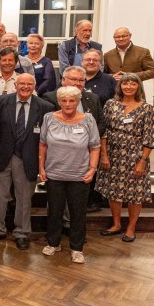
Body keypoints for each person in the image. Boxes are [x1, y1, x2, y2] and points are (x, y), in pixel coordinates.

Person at [0, 74, 54, 250]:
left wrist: (43, 163)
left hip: (28, 158)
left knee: (24, 198)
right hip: (1, 156)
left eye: (29, 84)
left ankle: (22, 233)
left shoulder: (45, 107)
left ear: (35, 86)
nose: (25, 87)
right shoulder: (0, 102)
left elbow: (47, 139)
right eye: (22, 83)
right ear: (15, 85)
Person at [39, 86, 100, 264]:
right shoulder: (49, 118)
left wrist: (92, 169)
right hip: (54, 174)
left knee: (78, 213)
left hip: (80, 175)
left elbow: (95, 147)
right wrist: (41, 168)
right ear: (59, 102)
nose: (67, 104)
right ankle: (53, 243)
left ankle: (77, 248)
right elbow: (42, 144)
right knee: (55, 211)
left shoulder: (88, 119)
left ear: (78, 101)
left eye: (72, 100)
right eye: (64, 100)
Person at [97, 74, 154, 242]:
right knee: (113, 191)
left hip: (135, 155)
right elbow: (104, 131)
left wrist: (142, 161)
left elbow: (149, 138)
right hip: (113, 154)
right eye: (125, 83)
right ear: (120, 86)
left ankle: (131, 227)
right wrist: (104, 154)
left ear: (139, 87)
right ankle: (116, 224)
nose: (128, 87)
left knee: (135, 193)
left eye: (133, 84)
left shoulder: (146, 108)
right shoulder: (110, 104)